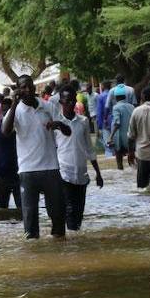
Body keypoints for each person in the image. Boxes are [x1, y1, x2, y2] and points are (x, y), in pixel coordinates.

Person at [2, 74, 69, 239]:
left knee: (58, 219)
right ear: (18, 90)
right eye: (23, 87)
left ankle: (60, 252)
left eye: (29, 85)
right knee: (30, 225)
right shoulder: (15, 111)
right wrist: (14, 104)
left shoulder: (48, 107)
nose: (27, 89)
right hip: (27, 171)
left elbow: (68, 131)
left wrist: (58, 124)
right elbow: (5, 131)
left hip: (51, 168)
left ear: (34, 86)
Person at [55, 87, 104, 231]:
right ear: (61, 102)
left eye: (72, 100)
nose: (70, 103)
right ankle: (71, 241)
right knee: (69, 208)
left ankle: (75, 238)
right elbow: (51, 148)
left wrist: (98, 173)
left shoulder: (83, 121)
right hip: (64, 173)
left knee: (79, 210)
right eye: (67, 100)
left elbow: (89, 148)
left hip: (81, 173)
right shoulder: (56, 123)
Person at [0, 97, 21, 209]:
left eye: (10, 111)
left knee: (22, 207)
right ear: (1, 112)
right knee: (1, 208)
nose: (7, 114)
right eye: (5, 111)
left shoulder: (20, 127)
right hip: (1, 174)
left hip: (19, 173)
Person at [108, 86, 134, 170]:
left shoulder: (116, 107)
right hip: (131, 139)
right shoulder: (131, 107)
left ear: (116, 98)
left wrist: (110, 137)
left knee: (119, 163)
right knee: (133, 163)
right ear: (125, 96)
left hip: (120, 140)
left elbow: (117, 123)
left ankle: (120, 170)